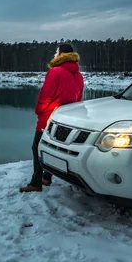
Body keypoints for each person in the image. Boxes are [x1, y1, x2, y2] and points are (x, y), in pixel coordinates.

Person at [19, 43, 84, 193]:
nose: (54, 55)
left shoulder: (56, 71)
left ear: (61, 54)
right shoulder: (78, 75)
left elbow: (45, 96)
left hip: (50, 117)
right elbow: (78, 99)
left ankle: (36, 183)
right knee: (53, 147)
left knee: (37, 147)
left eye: (56, 52)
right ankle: (46, 177)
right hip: (67, 119)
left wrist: (39, 111)